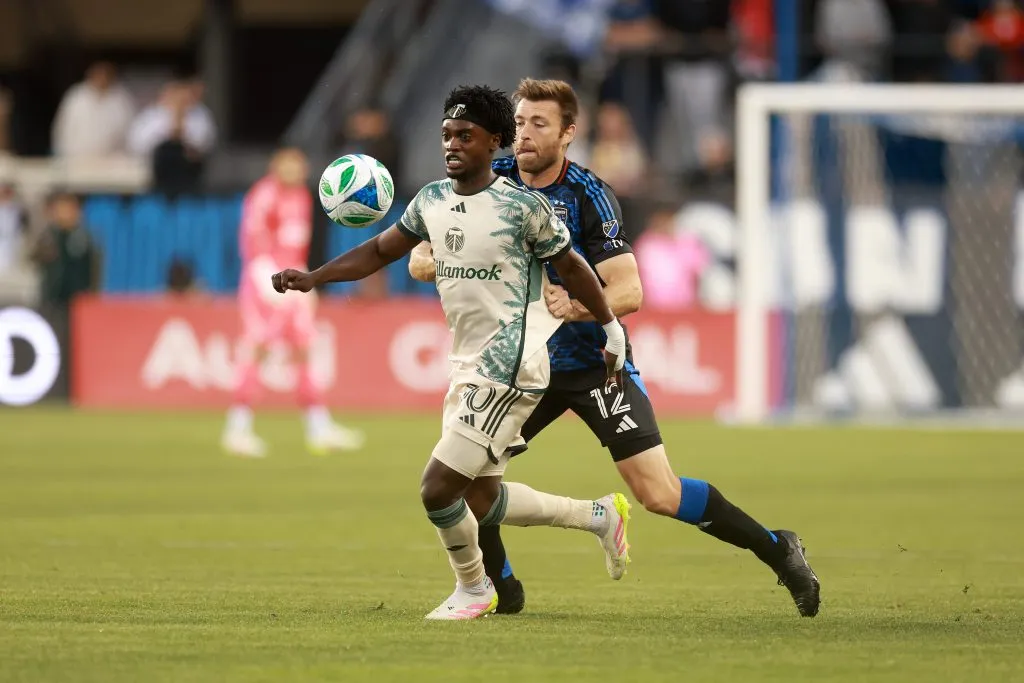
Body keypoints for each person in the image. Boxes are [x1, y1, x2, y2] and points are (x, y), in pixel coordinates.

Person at [409, 78, 821, 618]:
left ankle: (777, 547)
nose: (524, 134)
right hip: (516, 365)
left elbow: (629, 290)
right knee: (465, 481)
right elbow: (420, 259)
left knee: (659, 494)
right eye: (520, 122)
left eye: (539, 123)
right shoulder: (489, 183)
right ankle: (501, 585)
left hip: (590, 365)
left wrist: (574, 306)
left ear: (569, 133)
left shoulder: (588, 194)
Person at [271, 84, 632, 620]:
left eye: (466, 135)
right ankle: (598, 515)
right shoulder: (432, 201)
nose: (453, 144)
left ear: (495, 142)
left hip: (510, 362)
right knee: (483, 498)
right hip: (467, 362)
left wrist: (611, 327)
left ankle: (473, 588)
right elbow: (378, 250)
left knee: (437, 488)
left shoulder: (521, 207)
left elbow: (576, 265)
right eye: (446, 135)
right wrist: (314, 277)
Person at [222, 147, 364, 458]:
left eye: (300, 164)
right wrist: (267, 282)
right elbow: (254, 245)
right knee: (258, 348)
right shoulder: (263, 196)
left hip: (293, 284)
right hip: (266, 285)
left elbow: (295, 248)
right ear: (276, 165)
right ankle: (237, 428)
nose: (296, 170)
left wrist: (305, 284)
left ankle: (318, 427)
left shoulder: (301, 196)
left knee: (303, 351)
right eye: (290, 164)